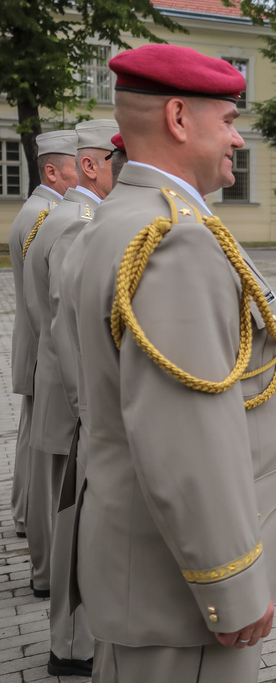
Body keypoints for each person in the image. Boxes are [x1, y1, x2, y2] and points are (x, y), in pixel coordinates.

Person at [72, 44, 276, 682]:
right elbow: (184, 438)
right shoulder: (175, 240)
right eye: (228, 119)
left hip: (146, 570)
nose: (237, 137)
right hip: (183, 595)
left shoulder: (122, 217)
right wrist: (229, 585)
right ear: (179, 118)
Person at [24, 119, 121, 677]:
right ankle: (72, 646)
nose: (124, 171)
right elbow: (65, 328)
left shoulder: (74, 218)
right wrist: (92, 411)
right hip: (77, 406)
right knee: (75, 528)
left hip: (72, 403)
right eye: (116, 160)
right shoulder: (75, 222)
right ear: (90, 165)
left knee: (74, 524)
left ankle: (74, 641)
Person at [8, 130, 77, 595]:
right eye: (77, 163)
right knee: (41, 461)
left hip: (37, 352)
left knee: (32, 450)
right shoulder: (45, 215)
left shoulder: (40, 210)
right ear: (52, 171)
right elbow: (43, 300)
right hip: (42, 353)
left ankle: (20, 516)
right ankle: (35, 540)